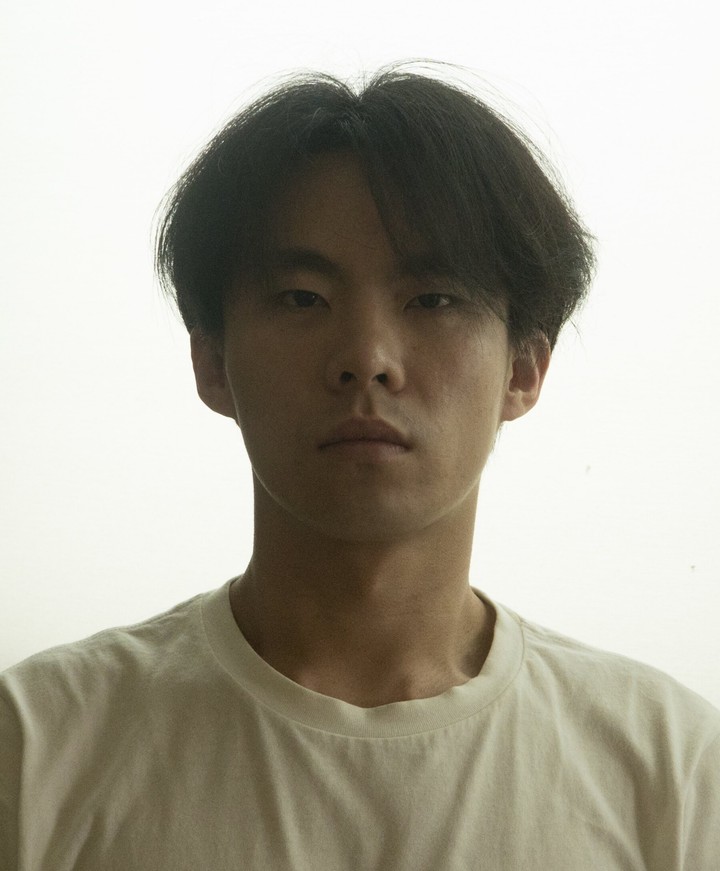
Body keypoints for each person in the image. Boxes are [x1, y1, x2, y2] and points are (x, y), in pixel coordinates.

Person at [1, 62, 718, 870]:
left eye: (433, 299)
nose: (367, 358)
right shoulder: (37, 746)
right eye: (302, 298)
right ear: (211, 362)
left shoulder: (674, 773)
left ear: (524, 368)